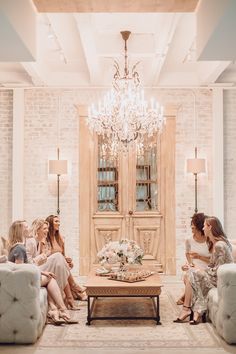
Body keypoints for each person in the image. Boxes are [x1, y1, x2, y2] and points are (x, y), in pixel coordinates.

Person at [7, 220, 78, 325]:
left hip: (27, 277)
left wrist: (43, 272)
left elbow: (23, 267)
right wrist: (43, 272)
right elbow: (20, 270)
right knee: (51, 276)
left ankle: (55, 309)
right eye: (26, 227)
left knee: (51, 276)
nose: (29, 228)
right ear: (20, 231)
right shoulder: (20, 247)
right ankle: (61, 309)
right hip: (24, 281)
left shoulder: (18, 246)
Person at [174, 216, 234, 324]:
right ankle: (195, 312)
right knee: (192, 273)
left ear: (210, 227)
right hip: (216, 277)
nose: (203, 229)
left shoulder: (220, 245)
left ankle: (188, 309)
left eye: (204, 226)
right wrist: (194, 267)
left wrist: (197, 269)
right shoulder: (215, 243)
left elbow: (218, 271)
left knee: (192, 274)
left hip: (220, 280)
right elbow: (212, 265)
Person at [25, 218, 78, 310]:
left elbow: (41, 260)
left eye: (47, 229)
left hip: (37, 269)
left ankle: (64, 299)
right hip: (31, 272)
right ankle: (69, 294)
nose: (47, 231)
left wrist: (46, 256)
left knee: (60, 262)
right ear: (38, 229)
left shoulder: (38, 241)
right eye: (44, 229)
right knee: (57, 256)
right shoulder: (31, 242)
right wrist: (44, 256)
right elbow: (29, 264)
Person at [46, 215, 87, 301]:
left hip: (60, 266)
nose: (59, 223)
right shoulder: (46, 239)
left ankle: (74, 293)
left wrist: (68, 262)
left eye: (59, 221)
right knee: (63, 269)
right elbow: (46, 257)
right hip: (50, 267)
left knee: (64, 268)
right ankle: (75, 287)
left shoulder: (60, 238)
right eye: (56, 221)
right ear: (50, 223)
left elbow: (63, 256)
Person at [176, 213, 211, 305]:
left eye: (193, 224)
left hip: (208, 268)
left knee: (190, 277)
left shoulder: (209, 240)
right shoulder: (189, 240)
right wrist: (190, 264)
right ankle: (188, 304)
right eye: (191, 224)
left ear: (200, 226)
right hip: (195, 267)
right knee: (188, 275)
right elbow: (187, 254)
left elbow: (213, 260)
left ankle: (186, 302)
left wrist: (199, 257)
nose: (191, 226)